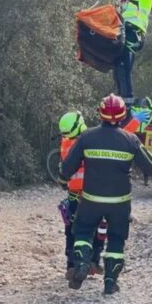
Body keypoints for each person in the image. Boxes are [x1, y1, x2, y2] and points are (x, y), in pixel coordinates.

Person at [60, 94, 152, 295]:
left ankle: (82, 262)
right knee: (116, 240)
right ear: (122, 115)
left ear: (100, 114)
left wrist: (62, 177)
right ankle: (110, 282)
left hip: (91, 199)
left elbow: (67, 168)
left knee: (82, 231)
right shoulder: (130, 139)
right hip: (119, 202)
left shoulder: (87, 137)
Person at [57, 111, 106, 279]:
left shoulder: (65, 142)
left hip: (73, 194)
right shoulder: (86, 141)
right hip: (92, 193)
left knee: (71, 228)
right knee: (99, 225)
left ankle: (72, 265)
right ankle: (93, 260)